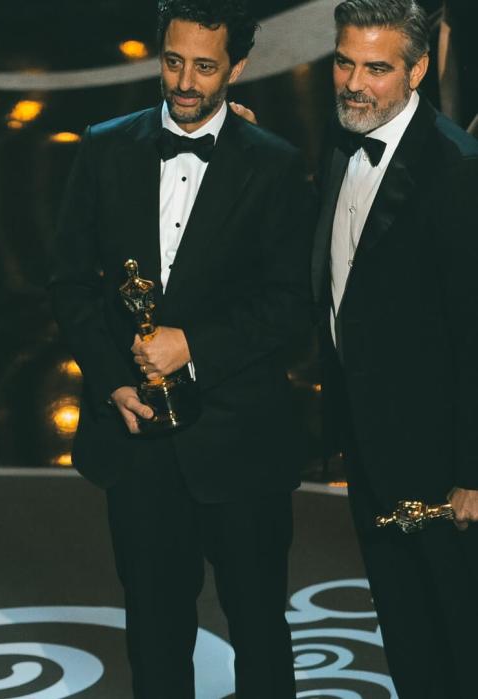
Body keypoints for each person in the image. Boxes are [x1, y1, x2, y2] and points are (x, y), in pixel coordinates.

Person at [48, 0, 314, 695]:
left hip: (242, 444)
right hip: (139, 446)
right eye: (173, 62)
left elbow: (291, 304)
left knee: (259, 630)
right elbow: (70, 284)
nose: (186, 82)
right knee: (155, 640)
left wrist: (190, 345)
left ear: (239, 65)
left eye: (204, 65)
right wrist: (113, 380)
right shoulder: (104, 148)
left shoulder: (278, 168)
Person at [312, 1, 478, 695]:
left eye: (377, 68)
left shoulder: (455, 169)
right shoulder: (339, 140)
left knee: (462, 644)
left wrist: (473, 471)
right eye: (345, 62)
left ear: (416, 69)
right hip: (371, 452)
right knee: (407, 641)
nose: (355, 82)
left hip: (444, 470)